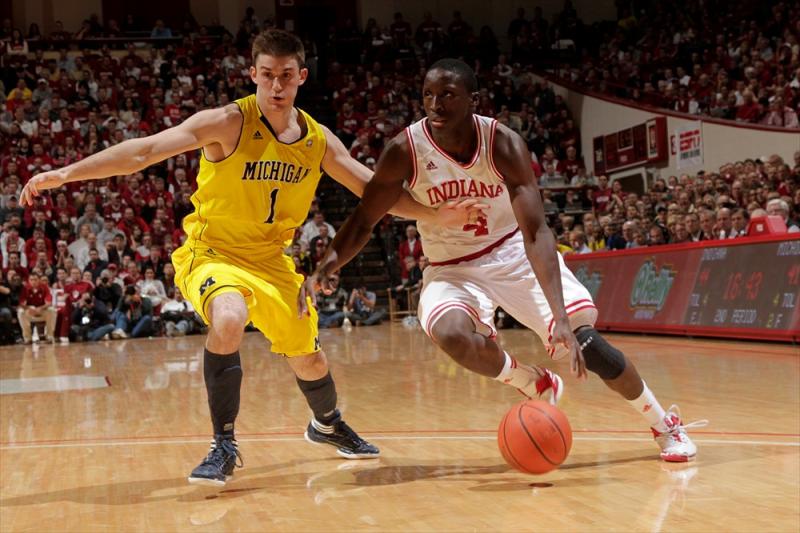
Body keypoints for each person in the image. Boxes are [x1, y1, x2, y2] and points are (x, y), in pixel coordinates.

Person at [20, 30, 482, 486]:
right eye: (266, 76)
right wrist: (68, 173)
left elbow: (374, 191)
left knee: (310, 361)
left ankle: (326, 424)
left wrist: (434, 214)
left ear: (301, 76)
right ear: (252, 75)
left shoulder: (317, 140)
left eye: (285, 76)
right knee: (228, 315)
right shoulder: (227, 122)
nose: (276, 87)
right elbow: (144, 151)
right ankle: (223, 443)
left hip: (272, 262)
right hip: (213, 252)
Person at [307, 58, 704, 463]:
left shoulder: (502, 143)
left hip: (512, 252)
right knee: (451, 334)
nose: (435, 105)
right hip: (451, 266)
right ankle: (530, 381)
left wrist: (560, 318)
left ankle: (663, 423)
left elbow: (536, 232)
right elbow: (364, 219)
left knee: (587, 344)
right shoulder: (404, 150)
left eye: (447, 95)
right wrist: (327, 265)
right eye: (428, 95)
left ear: (472, 100)